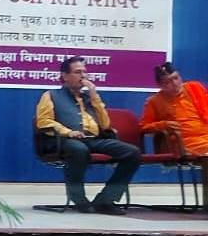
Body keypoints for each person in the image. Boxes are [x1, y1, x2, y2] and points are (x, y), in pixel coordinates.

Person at [35, 56, 141, 215]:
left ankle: (105, 200)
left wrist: (94, 95)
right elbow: (43, 121)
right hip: (64, 140)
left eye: (84, 72)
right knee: (79, 150)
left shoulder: (89, 98)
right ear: (65, 76)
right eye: (78, 72)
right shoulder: (51, 95)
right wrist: (68, 132)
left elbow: (105, 125)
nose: (83, 76)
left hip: (93, 139)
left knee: (132, 153)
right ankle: (79, 198)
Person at [140, 62, 208, 156]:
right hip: (184, 144)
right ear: (160, 85)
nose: (175, 83)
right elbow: (143, 127)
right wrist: (163, 125)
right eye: (168, 82)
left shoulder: (195, 88)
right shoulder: (154, 101)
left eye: (176, 78)